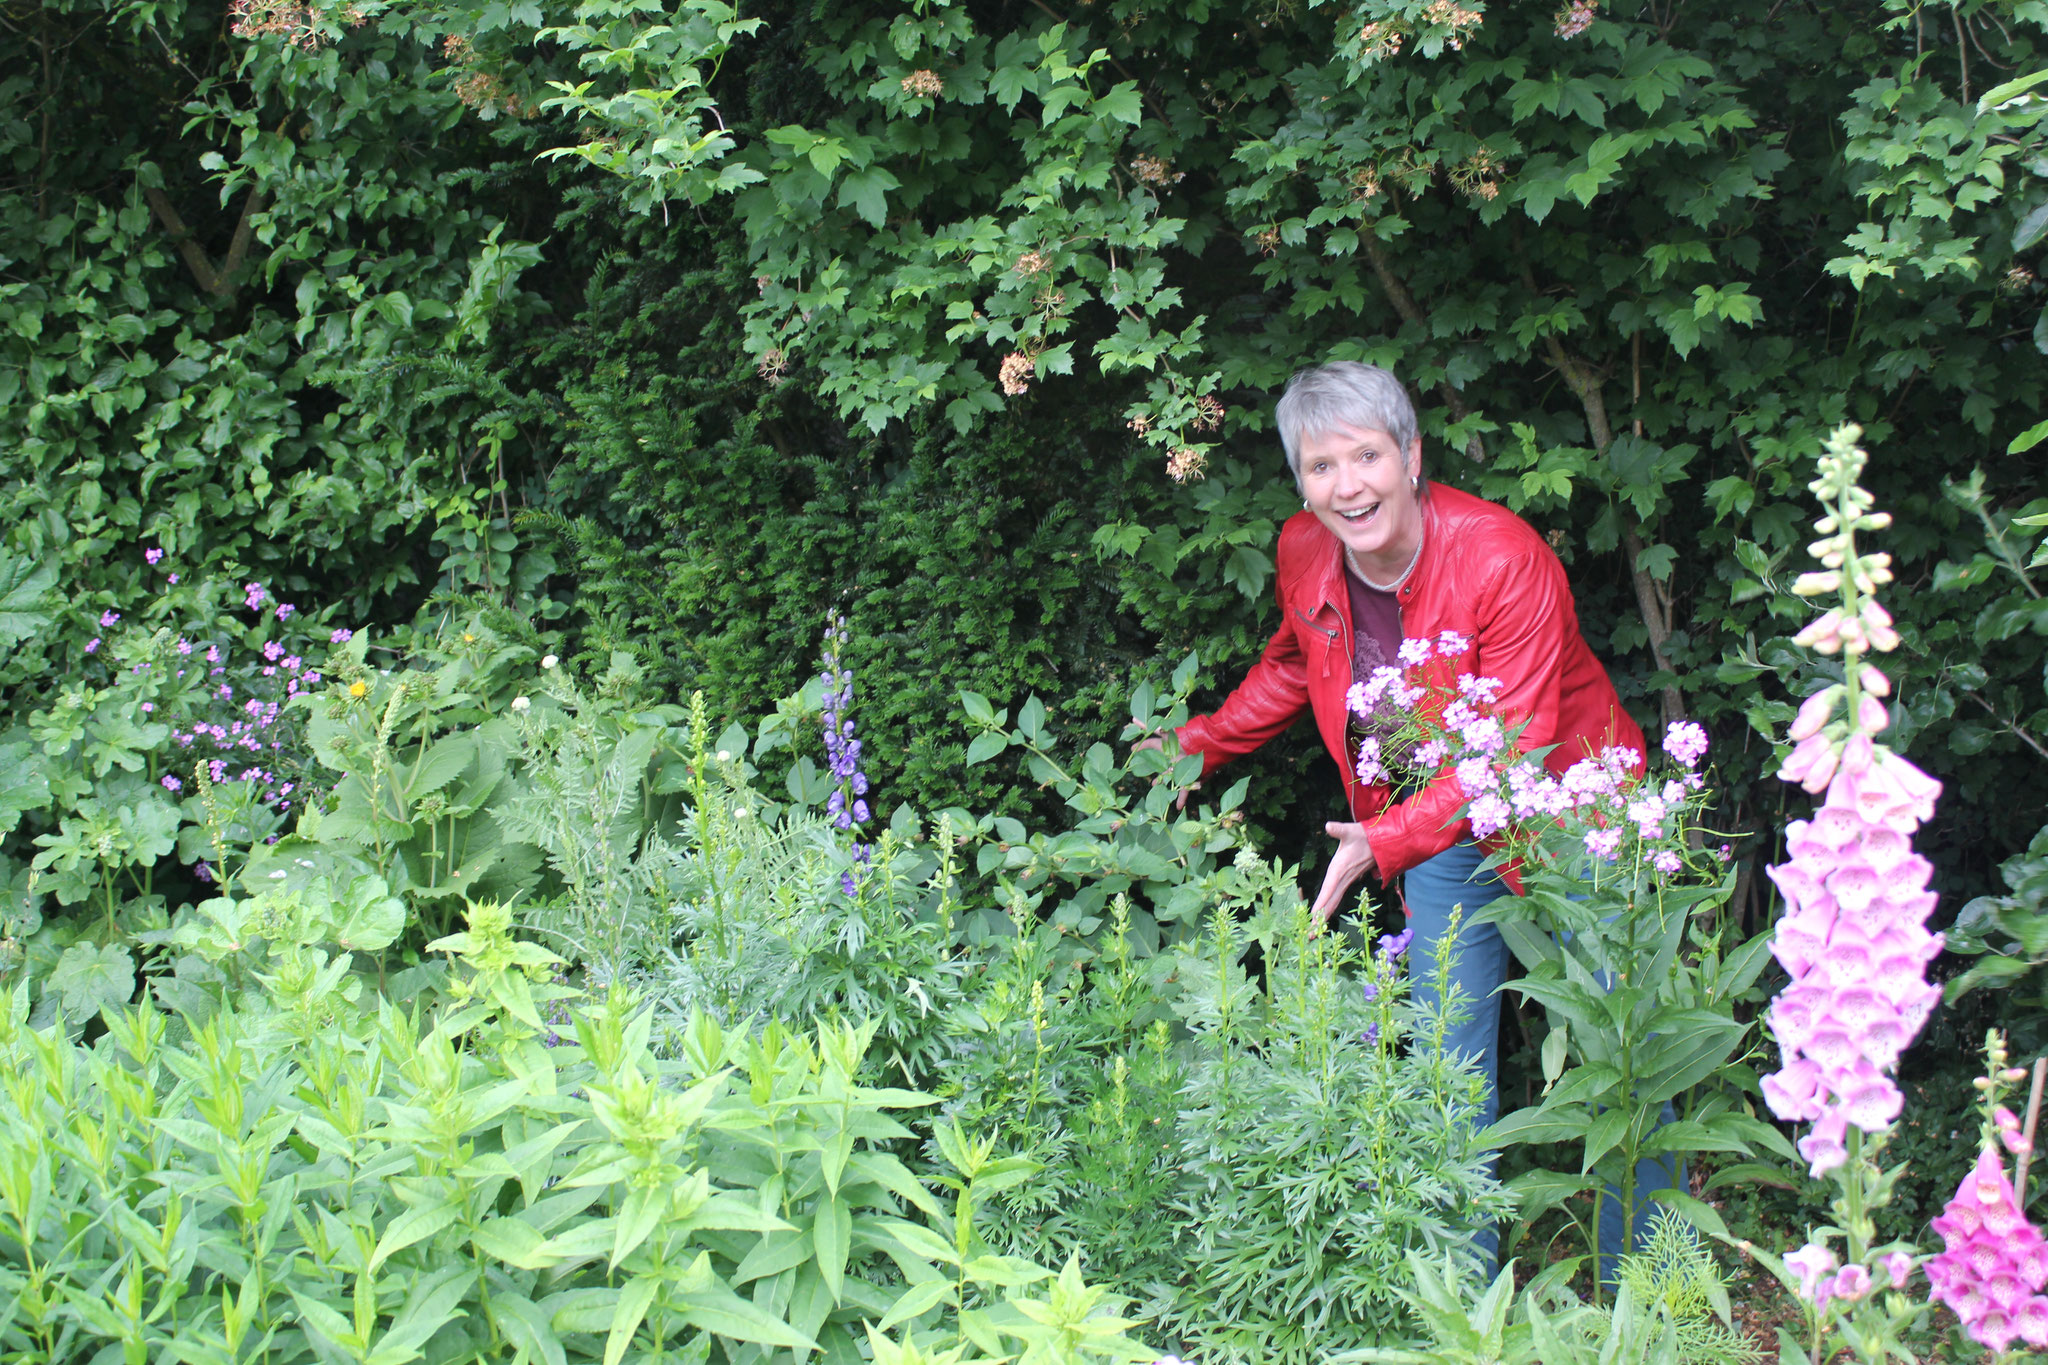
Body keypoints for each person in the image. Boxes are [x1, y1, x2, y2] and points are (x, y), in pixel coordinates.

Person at [1159, 359, 1662, 1270]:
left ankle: (1654, 1286)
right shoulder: (1305, 550)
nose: (1347, 486)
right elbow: (1287, 662)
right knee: (1446, 1051)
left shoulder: (1504, 556)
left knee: (1621, 1048)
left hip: (1570, 808)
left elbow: (1510, 744)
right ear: (1301, 482)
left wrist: (1384, 838)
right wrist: (1198, 745)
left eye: (1366, 456)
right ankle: (1460, 1289)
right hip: (1436, 829)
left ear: (1411, 455)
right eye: (1321, 466)